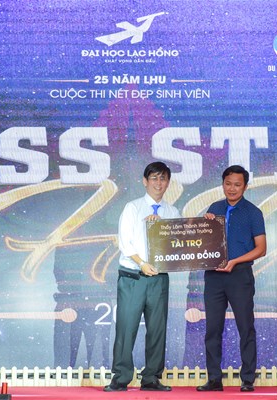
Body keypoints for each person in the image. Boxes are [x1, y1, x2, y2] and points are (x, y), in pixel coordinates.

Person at [104, 161, 181, 392]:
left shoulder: (172, 212)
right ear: (145, 181)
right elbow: (124, 242)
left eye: (163, 178)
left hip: (159, 278)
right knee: (126, 328)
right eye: (154, 178)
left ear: (168, 182)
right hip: (133, 276)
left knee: (157, 329)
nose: (159, 183)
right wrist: (142, 263)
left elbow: (178, 244)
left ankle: (151, 378)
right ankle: (121, 377)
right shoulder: (133, 208)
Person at [196, 165, 266, 393]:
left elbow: (261, 249)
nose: (232, 188)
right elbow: (203, 242)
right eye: (228, 184)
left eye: (237, 184)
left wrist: (235, 261)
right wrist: (205, 225)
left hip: (239, 276)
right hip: (214, 277)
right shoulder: (214, 208)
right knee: (212, 329)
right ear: (222, 184)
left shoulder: (253, 212)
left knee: (245, 327)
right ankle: (214, 379)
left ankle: (247, 379)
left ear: (245, 186)